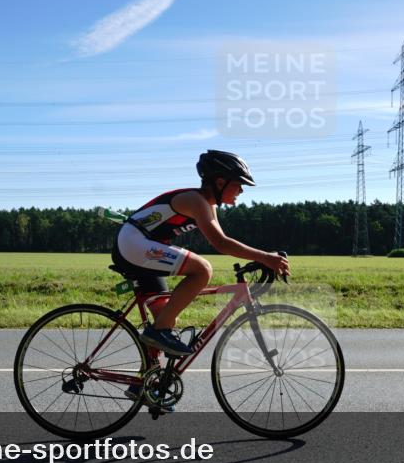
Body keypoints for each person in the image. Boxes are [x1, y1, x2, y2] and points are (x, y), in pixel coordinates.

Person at [111, 150, 290, 358]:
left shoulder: (207, 205)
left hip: (140, 246)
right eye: (239, 183)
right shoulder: (194, 200)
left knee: (167, 318)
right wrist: (265, 257)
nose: (241, 190)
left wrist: (263, 257)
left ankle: (145, 384)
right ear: (221, 182)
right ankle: (158, 333)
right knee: (202, 270)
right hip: (134, 242)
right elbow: (221, 244)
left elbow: (225, 241)